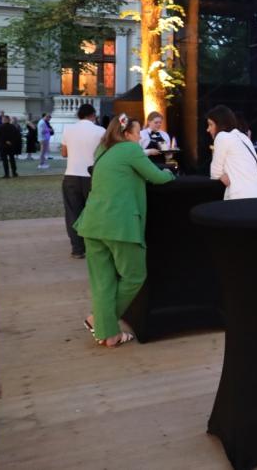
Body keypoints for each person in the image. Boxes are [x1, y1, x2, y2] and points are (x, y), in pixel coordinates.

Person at [74, 114, 174, 347]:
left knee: (102, 281)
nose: (139, 137)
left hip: (92, 223)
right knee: (134, 276)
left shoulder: (103, 151)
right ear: (127, 134)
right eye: (137, 133)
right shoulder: (130, 149)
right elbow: (158, 177)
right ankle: (100, 323)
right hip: (120, 225)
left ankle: (109, 334)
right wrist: (170, 172)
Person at [60, 103, 106, 259]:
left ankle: (77, 248)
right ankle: (95, 245)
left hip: (71, 175)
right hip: (93, 175)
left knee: (73, 212)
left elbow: (64, 153)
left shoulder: (68, 129)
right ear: (93, 115)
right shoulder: (100, 131)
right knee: (94, 211)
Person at [207, 105, 257, 200]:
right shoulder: (243, 138)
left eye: (210, 124)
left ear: (220, 124)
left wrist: (223, 175)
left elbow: (215, 173)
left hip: (242, 197)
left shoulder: (222, 137)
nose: (208, 129)